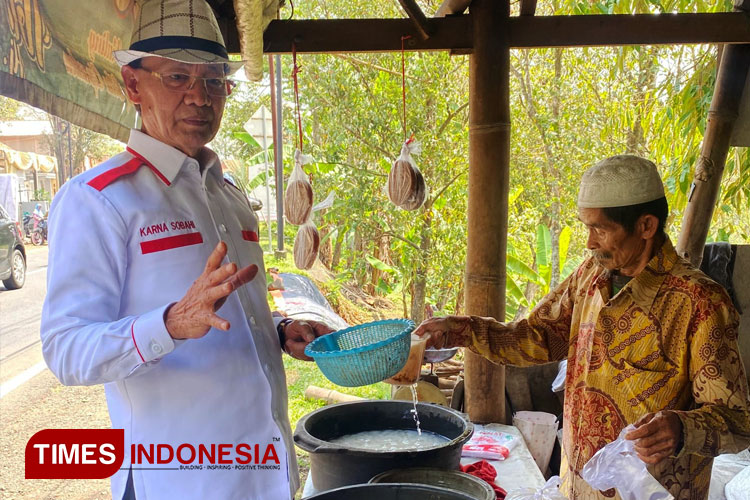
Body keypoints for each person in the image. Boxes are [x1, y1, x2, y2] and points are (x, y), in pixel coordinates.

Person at [40, 1, 331, 499]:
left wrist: (281, 331)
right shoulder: (100, 200)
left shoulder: (230, 195)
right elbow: (65, 348)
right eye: (177, 77)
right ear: (134, 85)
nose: (200, 97)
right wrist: (169, 324)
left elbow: (233, 309)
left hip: (266, 473)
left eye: (214, 81)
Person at [415, 155, 750, 500]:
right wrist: (462, 330)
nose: (589, 242)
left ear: (646, 226)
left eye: (600, 229)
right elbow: (536, 338)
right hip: (579, 487)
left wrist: (681, 430)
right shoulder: (590, 278)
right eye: (586, 227)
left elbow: (738, 421)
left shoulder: (699, 302)